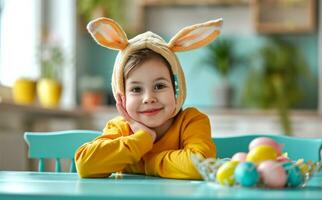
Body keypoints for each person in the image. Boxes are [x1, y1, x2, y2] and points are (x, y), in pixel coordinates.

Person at [75, 17, 223, 179]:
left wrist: (147, 162)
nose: (149, 98)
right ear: (122, 96)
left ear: (177, 89)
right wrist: (143, 137)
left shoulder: (192, 121)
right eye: (136, 89)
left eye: (159, 86)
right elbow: (85, 165)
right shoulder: (121, 127)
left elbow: (200, 165)